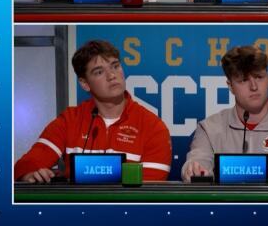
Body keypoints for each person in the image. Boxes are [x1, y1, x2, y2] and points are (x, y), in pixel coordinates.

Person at [14, 40, 172, 183]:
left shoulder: (153, 127)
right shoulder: (70, 119)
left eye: (115, 66)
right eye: (99, 72)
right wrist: (30, 175)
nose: (112, 75)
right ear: (84, 84)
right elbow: (26, 164)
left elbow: (149, 189)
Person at [181, 45, 268, 183]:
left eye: (259, 77)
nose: (254, 87)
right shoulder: (209, 129)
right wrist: (193, 169)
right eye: (244, 80)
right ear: (230, 86)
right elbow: (198, 163)